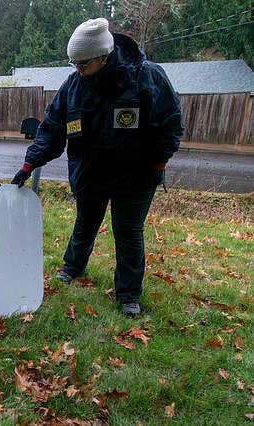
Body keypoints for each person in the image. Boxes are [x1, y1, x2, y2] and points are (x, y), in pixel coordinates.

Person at [12, 18, 183, 317]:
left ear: (103, 56)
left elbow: (169, 124)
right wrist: (30, 163)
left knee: (128, 231)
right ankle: (72, 267)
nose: (76, 69)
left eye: (83, 63)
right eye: (73, 63)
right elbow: (52, 128)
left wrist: (157, 162)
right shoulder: (73, 86)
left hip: (135, 175)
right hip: (89, 172)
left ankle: (129, 294)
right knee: (85, 222)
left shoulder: (146, 77)